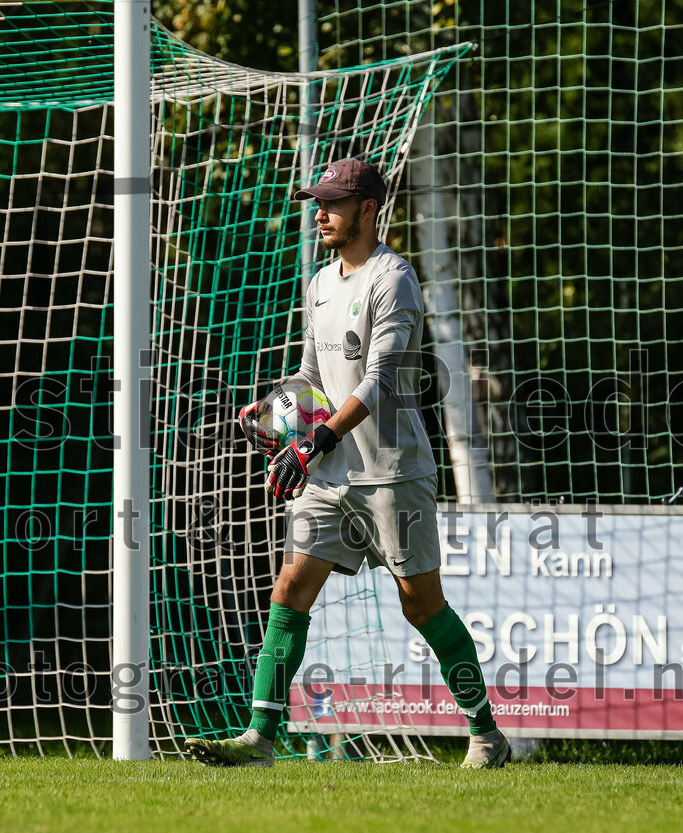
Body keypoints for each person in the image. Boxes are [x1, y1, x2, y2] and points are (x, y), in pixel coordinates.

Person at [184, 158, 509, 769]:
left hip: (392, 471)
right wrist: (279, 408)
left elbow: (383, 380)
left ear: (368, 209)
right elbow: (313, 377)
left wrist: (316, 441)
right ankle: (260, 737)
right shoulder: (320, 282)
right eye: (318, 201)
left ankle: (486, 734)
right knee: (290, 588)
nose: (320, 212)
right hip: (330, 472)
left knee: (421, 603)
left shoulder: (395, 279)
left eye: (333, 202)